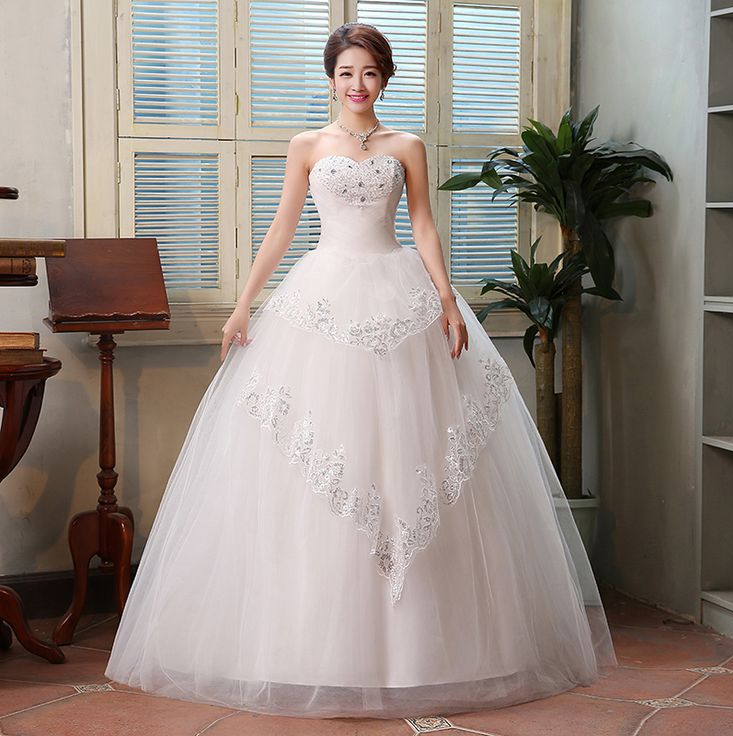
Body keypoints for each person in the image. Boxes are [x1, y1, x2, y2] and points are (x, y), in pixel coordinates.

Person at [105, 21, 616, 720]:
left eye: (370, 73)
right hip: (321, 298)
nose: (357, 85)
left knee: (410, 459)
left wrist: (445, 298)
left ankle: (426, 651)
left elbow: (425, 225)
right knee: (325, 461)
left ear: (385, 77)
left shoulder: (407, 145)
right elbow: (283, 226)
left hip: (400, 296)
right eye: (346, 72)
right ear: (331, 76)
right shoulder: (307, 146)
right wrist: (242, 308)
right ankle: (312, 651)